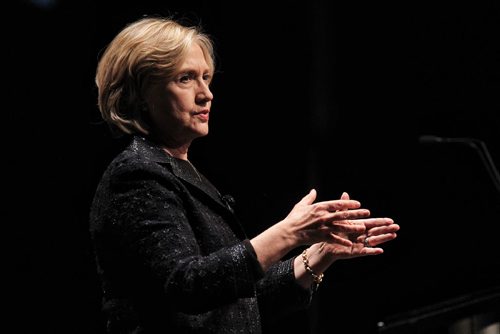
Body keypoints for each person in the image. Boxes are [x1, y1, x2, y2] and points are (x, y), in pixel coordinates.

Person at [89, 15, 400, 334]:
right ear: (139, 93)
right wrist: (289, 232)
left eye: (206, 78)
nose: (206, 93)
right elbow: (187, 286)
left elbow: (238, 305)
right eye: (185, 78)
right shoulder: (136, 175)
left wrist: (317, 255)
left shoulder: (181, 173)